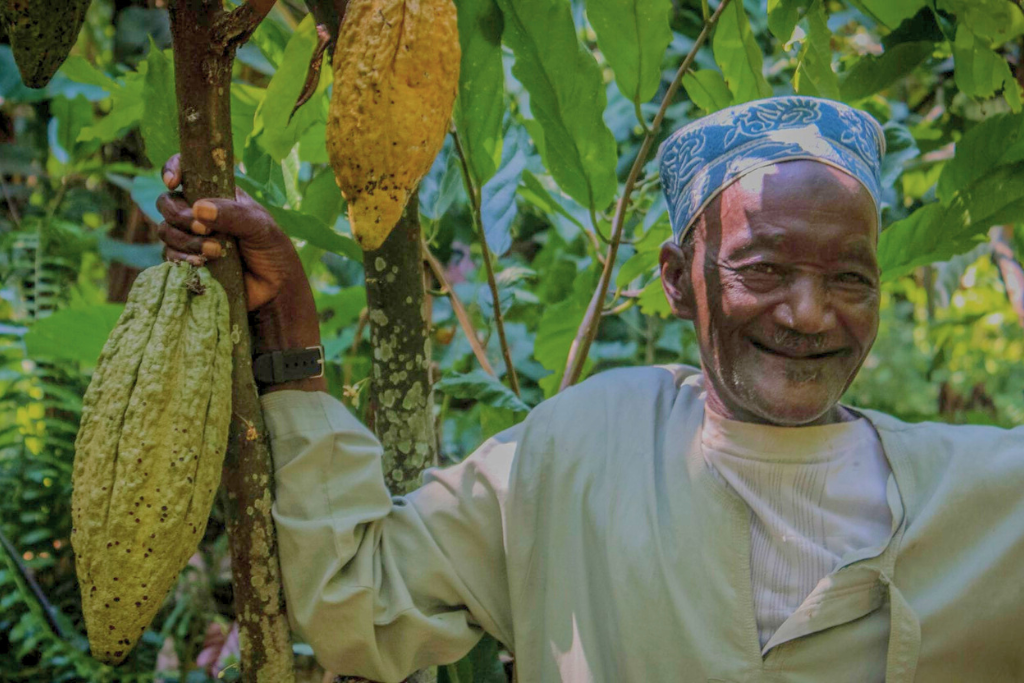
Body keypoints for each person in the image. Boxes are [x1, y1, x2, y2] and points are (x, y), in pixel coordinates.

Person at [156, 96, 1024, 683]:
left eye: (851, 280)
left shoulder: (985, 498)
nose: (809, 313)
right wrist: (293, 346)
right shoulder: (578, 448)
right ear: (681, 280)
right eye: (764, 267)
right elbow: (360, 596)